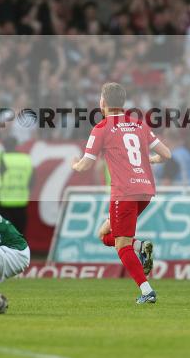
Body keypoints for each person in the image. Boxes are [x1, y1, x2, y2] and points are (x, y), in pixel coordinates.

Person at [72, 82, 171, 304]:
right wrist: (153, 159)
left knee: (120, 244)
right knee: (103, 234)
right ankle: (140, 246)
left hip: (124, 193)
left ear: (102, 103)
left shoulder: (102, 128)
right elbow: (167, 154)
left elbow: (86, 165)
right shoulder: (139, 124)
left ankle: (147, 292)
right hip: (145, 191)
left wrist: (75, 164)